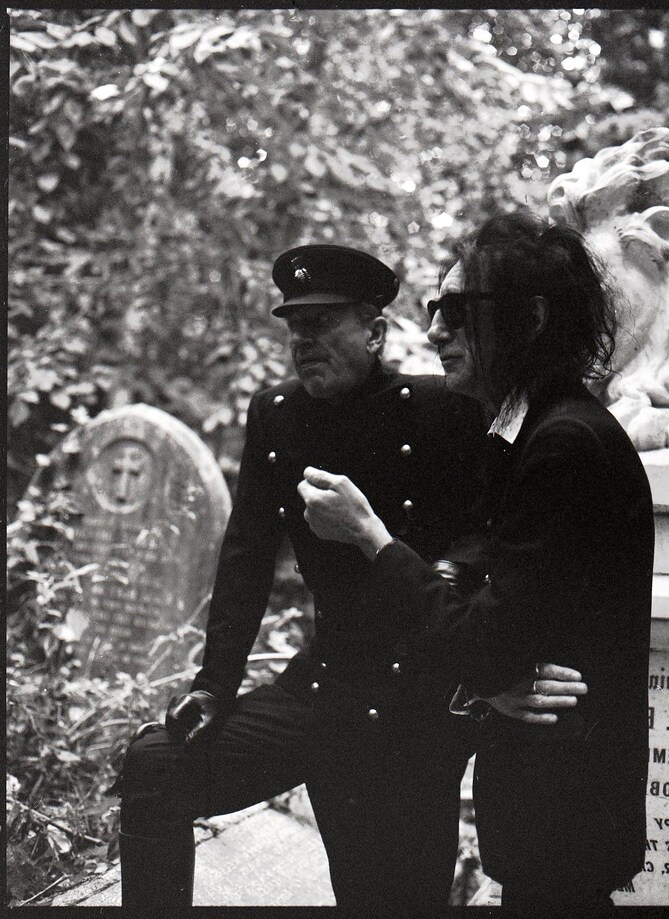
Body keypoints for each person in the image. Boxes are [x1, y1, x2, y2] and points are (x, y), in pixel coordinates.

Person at [112, 243, 585, 915]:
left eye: (324, 324)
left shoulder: (444, 410)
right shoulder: (277, 414)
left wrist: (455, 580)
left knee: (387, 896)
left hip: (413, 707)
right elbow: (247, 554)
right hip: (323, 685)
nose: (304, 341)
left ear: (375, 331)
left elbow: (496, 535)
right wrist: (213, 686)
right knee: (157, 764)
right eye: (295, 326)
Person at [300, 211, 656, 916]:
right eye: (435, 310)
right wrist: (486, 681)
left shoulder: (563, 447)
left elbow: (488, 644)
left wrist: (371, 535)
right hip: (549, 814)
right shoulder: (524, 433)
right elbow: (497, 634)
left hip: (563, 817)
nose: (433, 331)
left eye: (456, 313)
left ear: (529, 319)